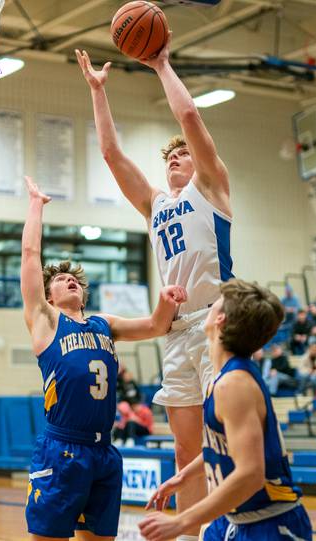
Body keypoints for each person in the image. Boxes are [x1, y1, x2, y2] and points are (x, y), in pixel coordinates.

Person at [79, 39, 234, 537]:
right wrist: (98, 92)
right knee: (185, 450)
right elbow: (109, 153)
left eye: (183, 155)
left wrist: (162, 64)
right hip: (175, 333)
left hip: (216, 322)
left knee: (225, 436)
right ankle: (191, 533)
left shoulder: (211, 187)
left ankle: (237, 524)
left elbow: (188, 115)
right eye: (170, 156)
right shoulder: (155, 207)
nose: (175, 159)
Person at [20, 176, 185, 540]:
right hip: (62, 449)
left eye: (73, 278)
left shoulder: (103, 324)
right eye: (60, 280)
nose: (69, 281)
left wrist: (167, 299)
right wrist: (36, 204)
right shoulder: (46, 319)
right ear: (48, 294)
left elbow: (157, 326)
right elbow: (31, 257)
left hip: (103, 451)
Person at [139, 280, 312, 541]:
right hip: (233, 522)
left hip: (270, 525)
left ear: (219, 319)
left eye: (215, 302)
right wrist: (183, 478)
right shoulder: (223, 378)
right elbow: (222, 445)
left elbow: (251, 474)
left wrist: (180, 522)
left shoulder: (234, 384)